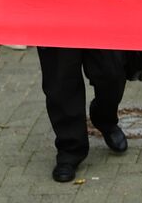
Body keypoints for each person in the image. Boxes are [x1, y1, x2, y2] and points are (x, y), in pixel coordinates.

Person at [36, 44, 128, 183]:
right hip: (56, 24)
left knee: (112, 72)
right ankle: (70, 148)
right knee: (61, 78)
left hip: (103, 23)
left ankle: (104, 116)